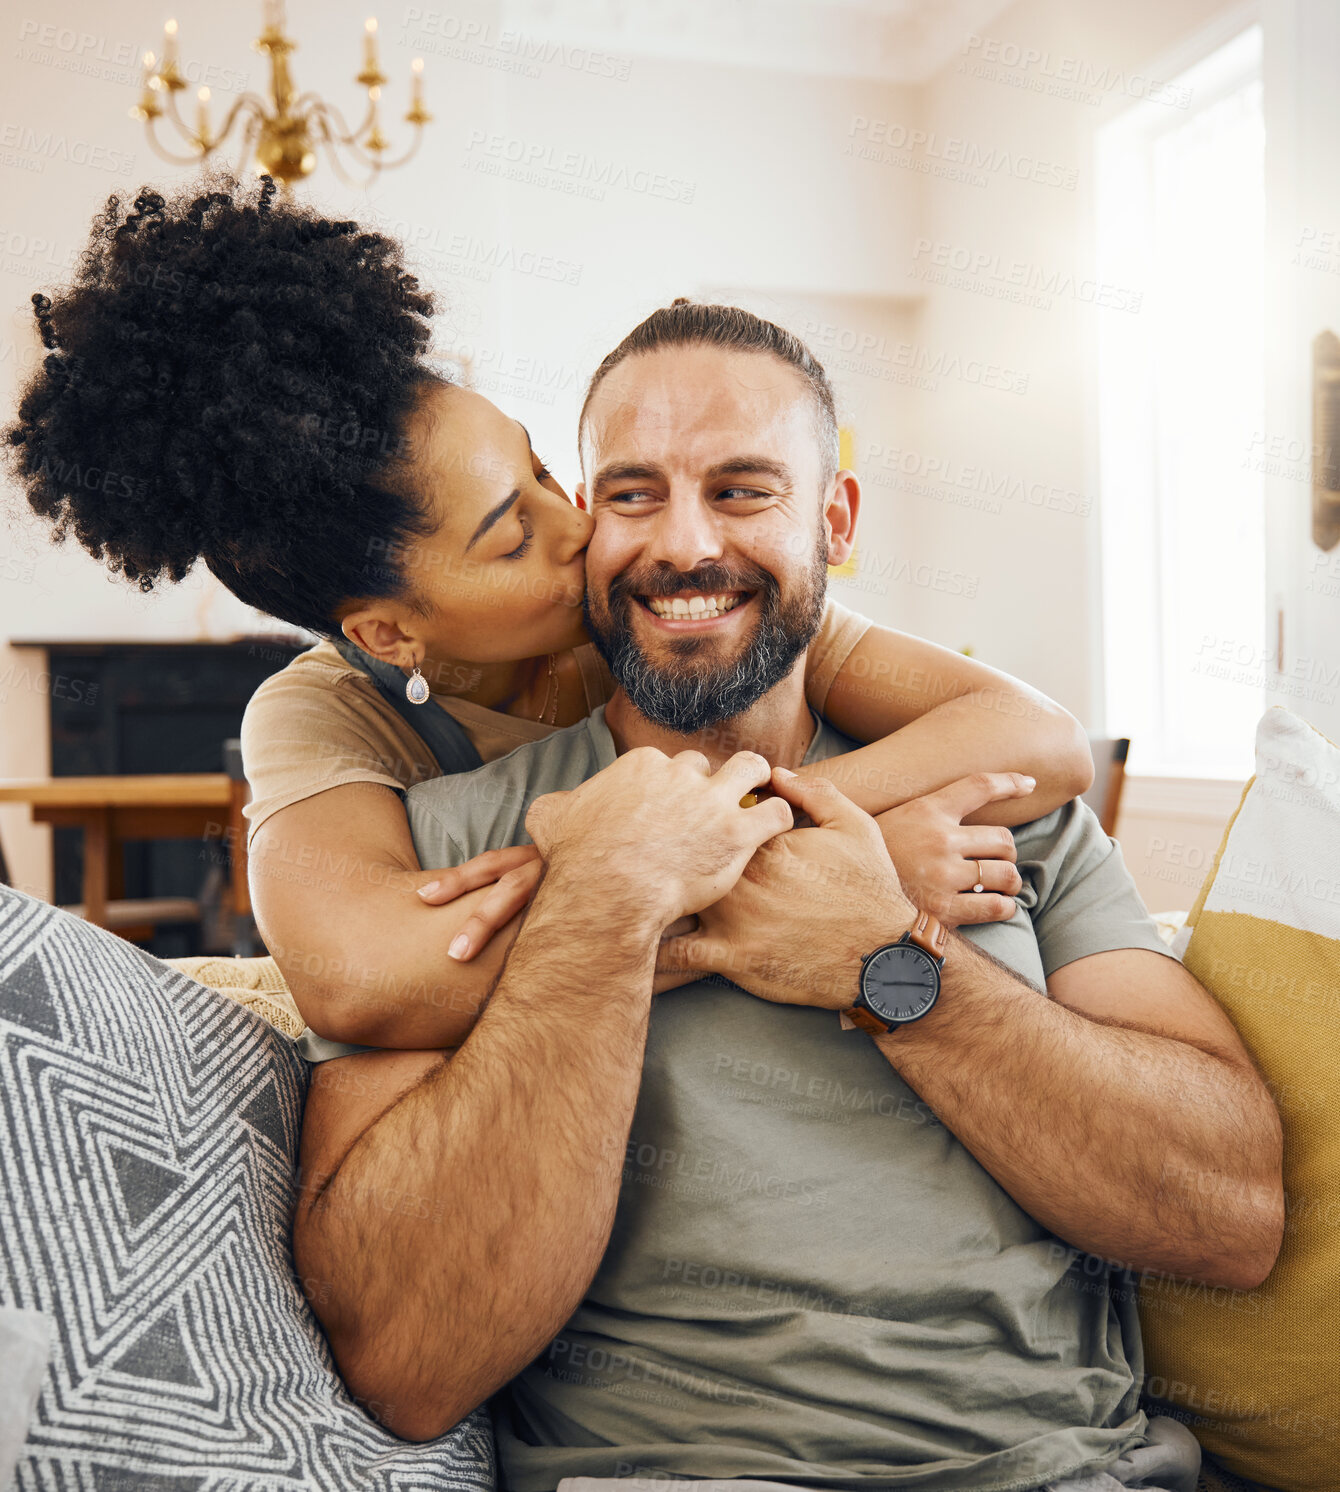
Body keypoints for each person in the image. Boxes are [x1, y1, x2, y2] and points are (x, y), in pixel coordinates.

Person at [293, 303, 1284, 1492]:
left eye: (744, 489)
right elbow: (407, 1357)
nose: (682, 543)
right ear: (586, 522)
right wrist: (602, 909)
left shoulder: (999, 808)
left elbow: (1228, 1217)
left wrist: (885, 965)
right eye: (632, 492)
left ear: (835, 521)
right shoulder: (450, 855)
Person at [4, 176, 1093, 1056]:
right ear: (388, 634)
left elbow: (1036, 743)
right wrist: (752, 892)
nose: (581, 526)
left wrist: (763, 844)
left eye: (536, 470)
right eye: (510, 534)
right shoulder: (326, 717)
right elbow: (363, 982)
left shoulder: (660, 611)